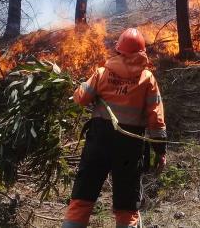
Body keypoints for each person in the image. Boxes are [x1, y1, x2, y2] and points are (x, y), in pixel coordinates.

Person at [62, 28, 167, 228]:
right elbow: (156, 119)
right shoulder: (147, 79)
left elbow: (80, 98)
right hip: (130, 145)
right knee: (127, 204)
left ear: (119, 50)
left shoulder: (102, 73)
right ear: (142, 53)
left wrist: (84, 87)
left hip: (99, 142)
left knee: (83, 195)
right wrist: (160, 151)